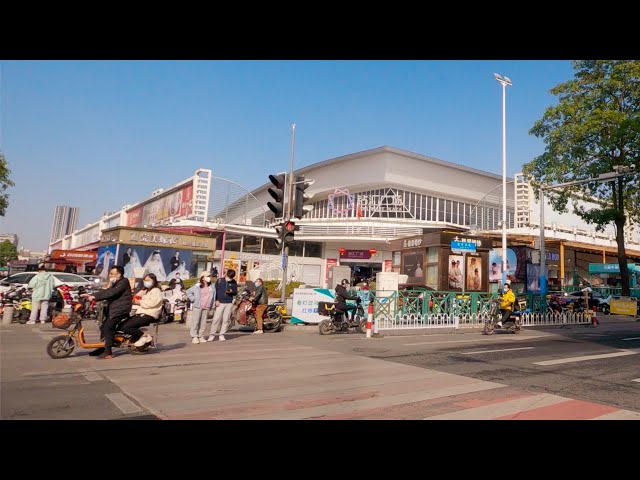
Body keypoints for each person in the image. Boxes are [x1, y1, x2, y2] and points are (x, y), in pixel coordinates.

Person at [82, 265, 133, 359]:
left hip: (120, 310)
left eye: (112, 274)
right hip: (114, 309)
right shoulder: (116, 283)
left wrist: (94, 297)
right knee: (103, 326)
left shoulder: (123, 282)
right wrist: (91, 295)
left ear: (119, 274)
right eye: (110, 274)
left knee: (108, 327)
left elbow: (112, 293)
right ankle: (102, 347)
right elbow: (106, 292)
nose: (110, 275)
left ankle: (108, 352)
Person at [121, 273, 163, 347]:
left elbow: (153, 303)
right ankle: (136, 338)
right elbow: (137, 296)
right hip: (140, 313)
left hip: (149, 314)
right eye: (145, 280)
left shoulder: (156, 291)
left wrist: (139, 302)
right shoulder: (146, 290)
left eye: (148, 280)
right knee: (121, 325)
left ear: (153, 281)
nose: (146, 282)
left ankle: (145, 336)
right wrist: (135, 298)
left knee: (126, 327)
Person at [207, 268, 238, 342]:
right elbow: (215, 291)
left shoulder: (234, 282)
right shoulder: (220, 280)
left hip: (229, 302)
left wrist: (232, 291)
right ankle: (212, 335)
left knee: (226, 319)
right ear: (226, 274)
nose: (229, 279)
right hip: (220, 302)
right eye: (229, 277)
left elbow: (235, 292)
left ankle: (222, 334)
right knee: (216, 319)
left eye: (231, 278)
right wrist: (216, 300)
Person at [187, 273, 216, 344]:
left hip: (207, 306)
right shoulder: (197, 286)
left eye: (209, 276)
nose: (209, 277)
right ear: (203, 278)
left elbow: (214, 296)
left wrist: (212, 305)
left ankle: (201, 336)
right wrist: (193, 299)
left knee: (203, 323)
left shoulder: (212, 286)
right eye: (207, 276)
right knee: (195, 322)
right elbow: (188, 292)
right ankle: (194, 336)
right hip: (198, 306)